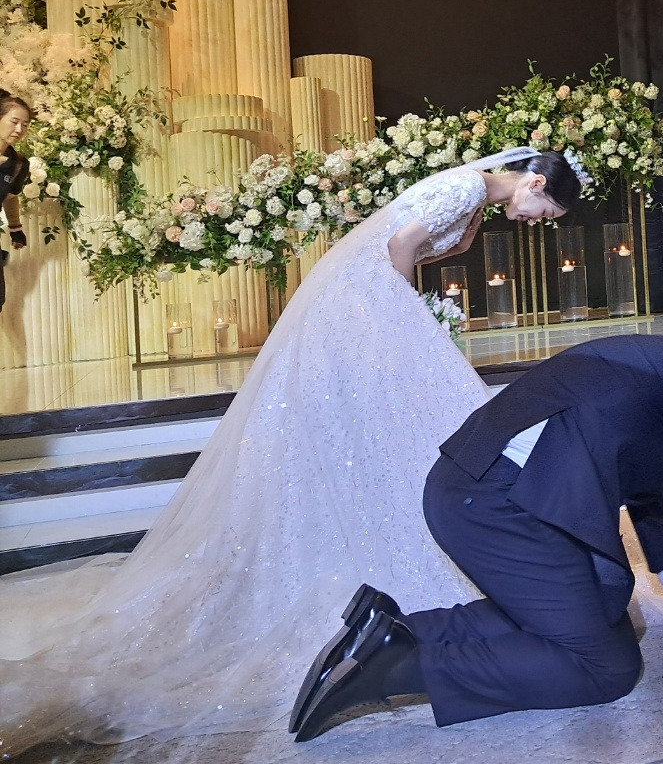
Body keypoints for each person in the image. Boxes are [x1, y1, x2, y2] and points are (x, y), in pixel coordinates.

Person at [0, 147, 583, 756]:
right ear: (534, 182)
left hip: (360, 299)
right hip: (365, 304)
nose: (536, 220)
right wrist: (405, 320)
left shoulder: (474, 196)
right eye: (544, 209)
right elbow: (399, 246)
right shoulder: (467, 188)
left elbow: (414, 242)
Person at [290, 324, 663, 742]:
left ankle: (394, 631)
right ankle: (397, 665)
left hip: (490, 491)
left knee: (607, 618)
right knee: (605, 668)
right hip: (497, 502)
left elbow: (648, 492)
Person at [0, 93, 32, 314]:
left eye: (25, 125)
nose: (19, 129)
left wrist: (16, 229)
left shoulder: (18, 164)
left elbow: (10, 196)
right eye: (14, 122)